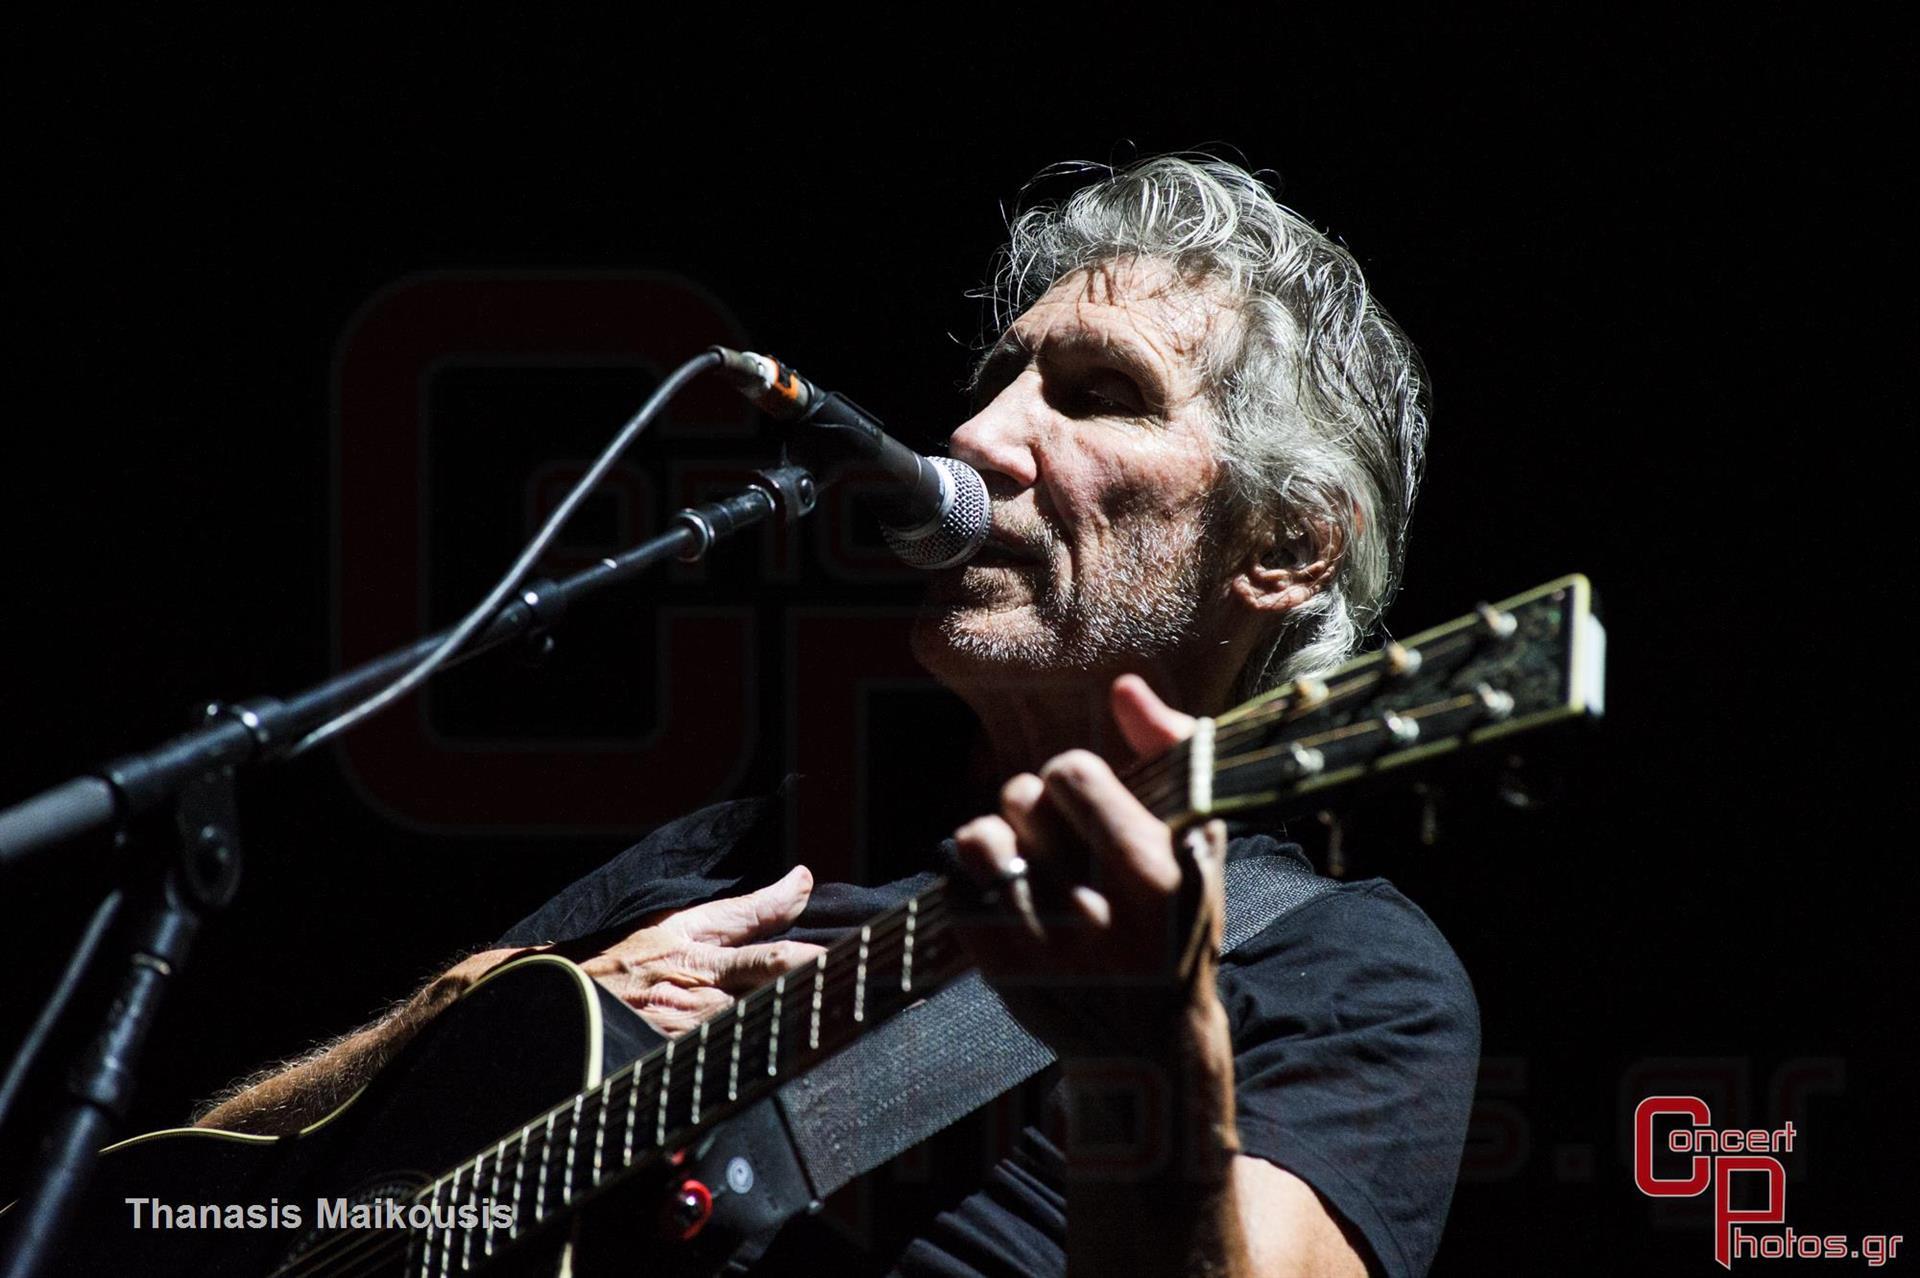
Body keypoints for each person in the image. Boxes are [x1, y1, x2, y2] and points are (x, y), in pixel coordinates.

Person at [198, 156, 1477, 1277]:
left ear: (1290, 546)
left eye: (1096, 394)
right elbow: (190, 1205)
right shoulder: (747, 847)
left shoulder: (1340, 968)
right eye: (1001, 377)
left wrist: (1149, 1054)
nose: (977, 434)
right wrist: (469, 1013)